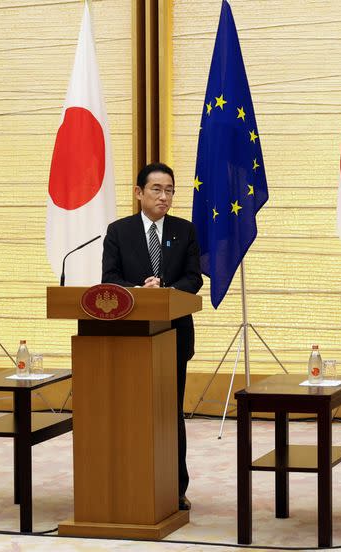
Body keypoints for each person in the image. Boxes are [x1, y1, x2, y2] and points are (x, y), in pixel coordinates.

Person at [102, 162, 203, 511]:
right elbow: (110, 278)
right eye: (157, 189)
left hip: (173, 335)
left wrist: (167, 290)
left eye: (170, 190)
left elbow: (194, 279)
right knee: (131, 411)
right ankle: (130, 480)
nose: (164, 196)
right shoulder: (119, 231)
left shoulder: (185, 231)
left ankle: (175, 486)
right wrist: (139, 291)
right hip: (129, 337)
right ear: (139, 192)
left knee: (169, 411)